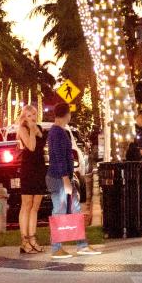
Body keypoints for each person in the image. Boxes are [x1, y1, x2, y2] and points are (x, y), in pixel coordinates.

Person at [46, 103, 100, 260]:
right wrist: (65, 180)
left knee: (75, 210)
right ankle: (56, 248)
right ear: (67, 114)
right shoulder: (57, 132)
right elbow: (59, 157)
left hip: (63, 177)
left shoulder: (59, 131)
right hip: (59, 179)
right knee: (60, 211)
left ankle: (82, 245)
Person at [15, 105, 47, 255]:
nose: (32, 117)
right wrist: (33, 131)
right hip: (28, 169)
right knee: (26, 205)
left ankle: (33, 239)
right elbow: (32, 147)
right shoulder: (22, 129)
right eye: (28, 115)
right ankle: (24, 240)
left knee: (36, 206)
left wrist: (36, 130)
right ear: (23, 117)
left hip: (40, 168)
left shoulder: (39, 128)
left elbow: (42, 146)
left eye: (33, 114)